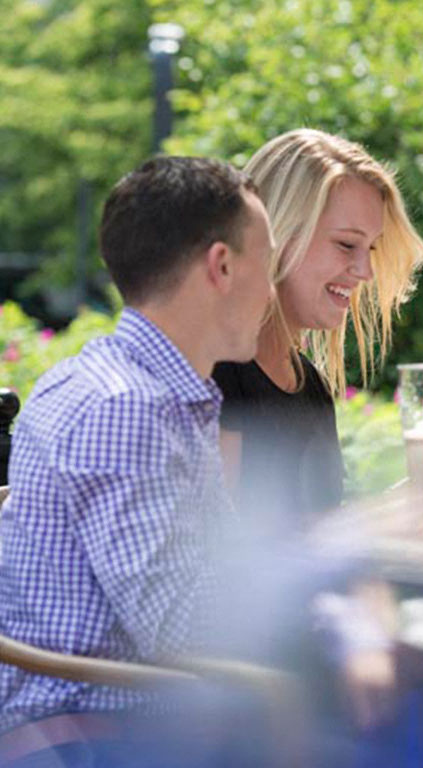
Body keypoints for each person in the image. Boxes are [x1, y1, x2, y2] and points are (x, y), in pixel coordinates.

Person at [0, 156, 274, 762]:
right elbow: (185, 627)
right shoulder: (128, 409)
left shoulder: (134, 387)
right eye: (270, 264)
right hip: (94, 736)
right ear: (222, 266)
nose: (273, 290)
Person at [212, 129, 423, 529]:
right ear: (274, 233)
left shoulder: (309, 384)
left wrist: (418, 503)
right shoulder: (215, 370)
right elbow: (229, 558)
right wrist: (390, 517)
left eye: (372, 249)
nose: (364, 272)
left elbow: (320, 540)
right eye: (347, 245)